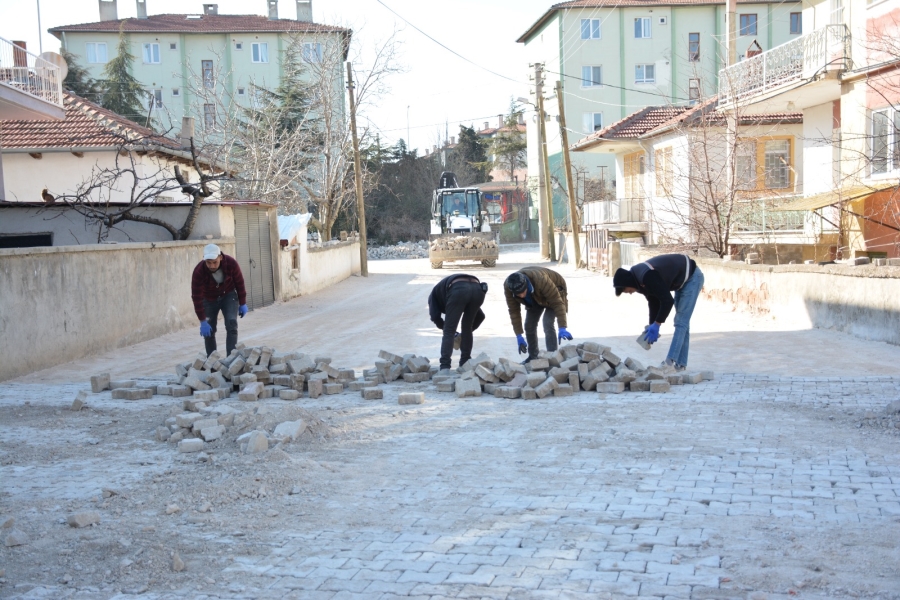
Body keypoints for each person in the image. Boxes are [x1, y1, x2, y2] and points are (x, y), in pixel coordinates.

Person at [613, 253, 704, 371]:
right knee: (683, 323)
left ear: (627, 283)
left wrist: (657, 324)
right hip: (681, 283)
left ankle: (669, 363)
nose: (630, 293)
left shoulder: (647, 276)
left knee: (681, 322)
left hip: (692, 279)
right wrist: (651, 323)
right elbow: (653, 300)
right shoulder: (639, 281)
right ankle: (681, 365)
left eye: (627, 290)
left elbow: (667, 301)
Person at [504, 267, 573, 362]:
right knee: (529, 325)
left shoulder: (541, 280)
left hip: (555, 290)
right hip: (535, 296)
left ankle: (552, 356)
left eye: (523, 292)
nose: (521, 296)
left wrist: (562, 327)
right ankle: (533, 356)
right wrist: (519, 335)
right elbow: (513, 311)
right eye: (518, 295)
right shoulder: (508, 286)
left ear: (526, 285)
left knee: (547, 323)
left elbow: (557, 303)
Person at [191, 244, 248, 357]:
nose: (212, 265)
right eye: (209, 262)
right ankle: (213, 362)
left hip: (228, 295)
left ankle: (231, 359)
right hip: (208, 298)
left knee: (232, 324)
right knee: (209, 331)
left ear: (220, 257)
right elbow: (196, 297)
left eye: (214, 262)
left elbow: (239, 282)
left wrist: (243, 303)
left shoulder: (231, 264)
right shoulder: (199, 271)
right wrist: (203, 321)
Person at [428, 274, 487, 372]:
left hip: (459, 289)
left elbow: (435, 317)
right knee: (467, 327)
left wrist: (450, 331)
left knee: (449, 330)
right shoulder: (441, 292)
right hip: (478, 289)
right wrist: (462, 335)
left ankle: (445, 367)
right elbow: (481, 316)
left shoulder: (433, 296)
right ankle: (465, 364)